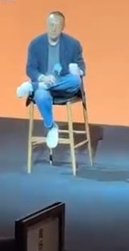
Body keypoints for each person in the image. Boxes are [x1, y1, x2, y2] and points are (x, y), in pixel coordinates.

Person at [16, 11, 85, 149]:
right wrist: (42, 78)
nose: (53, 28)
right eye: (51, 24)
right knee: (41, 95)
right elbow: (30, 69)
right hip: (44, 84)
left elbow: (82, 67)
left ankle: (34, 86)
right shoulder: (35, 44)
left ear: (63, 27)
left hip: (65, 87)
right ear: (46, 25)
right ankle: (52, 127)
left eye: (57, 25)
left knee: (76, 80)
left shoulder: (73, 44)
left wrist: (78, 70)